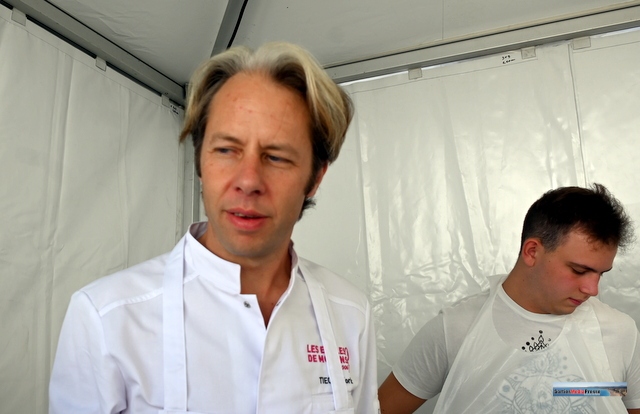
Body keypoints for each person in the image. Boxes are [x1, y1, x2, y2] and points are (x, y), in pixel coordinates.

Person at [49, 42, 379, 414]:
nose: (248, 180)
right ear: (200, 162)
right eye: (226, 150)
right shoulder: (106, 318)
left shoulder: (350, 313)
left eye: (276, 157)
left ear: (315, 178)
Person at [378, 184, 640, 413]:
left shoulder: (620, 333)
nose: (592, 289)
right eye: (579, 271)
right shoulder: (455, 330)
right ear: (532, 251)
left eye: (601, 273)